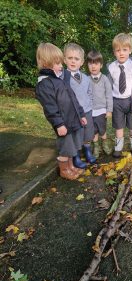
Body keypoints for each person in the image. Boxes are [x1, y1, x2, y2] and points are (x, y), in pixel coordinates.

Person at [35, 43, 87, 180]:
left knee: (71, 146)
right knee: (65, 147)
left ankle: (70, 166)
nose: (61, 66)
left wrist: (81, 114)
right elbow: (50, 107)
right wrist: (58, 124)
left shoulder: (59, 79)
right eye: (57, 63)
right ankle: (64, 170)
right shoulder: (45, 84)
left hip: (72, 119)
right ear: (46, 64)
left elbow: (73, 98)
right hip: (63, 123)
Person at [107, 33, 132, 158]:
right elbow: (107, 87)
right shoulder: (111, 67)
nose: (121, 53)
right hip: (117, 102)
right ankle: (118, 148)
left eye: (124, 50)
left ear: (130, 50)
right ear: (114, 52)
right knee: (119, 127)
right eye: (118, 50)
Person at [63, 43, 96, 168]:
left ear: (81, 62)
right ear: (65, 59)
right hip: (73, 113)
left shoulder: (86, 78)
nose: (73, 61)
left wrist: (90, 106)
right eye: (70, 58)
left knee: (88, 132)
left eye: (76, 59)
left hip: (87, 110)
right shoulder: (63, 77)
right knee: (77, 133)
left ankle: (87, 150)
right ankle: (76, 155)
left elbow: (89, 93)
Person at [87, 50, 113, 158]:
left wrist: (109, 110)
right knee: (94, 130)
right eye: (91, 63)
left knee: (102, 129)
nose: (93, 66)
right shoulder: (86, 80)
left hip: (102, 110)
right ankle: (96, 147)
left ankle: (104, 144)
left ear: (101, 65)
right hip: (91, 111)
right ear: (87, 65)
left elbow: (109, 95)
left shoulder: (105, 79)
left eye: (96, 63)